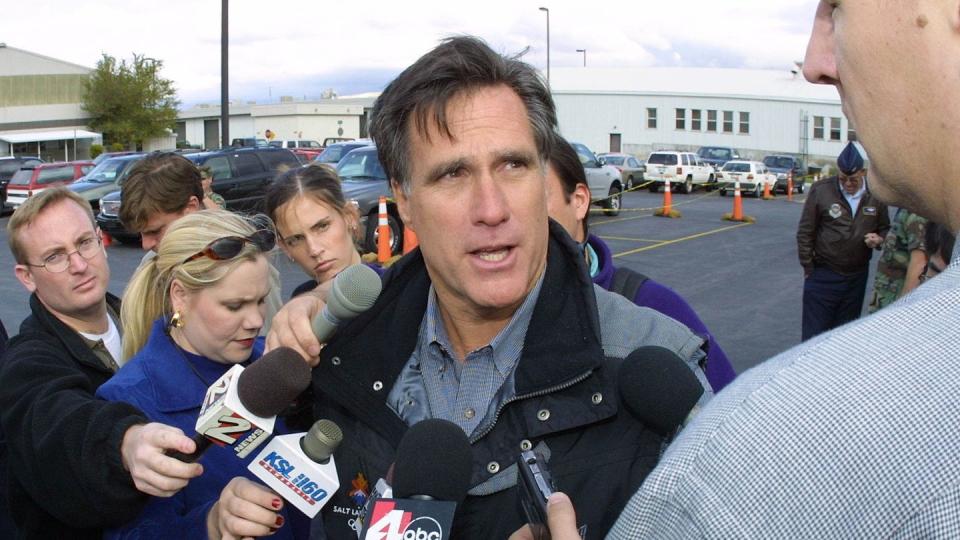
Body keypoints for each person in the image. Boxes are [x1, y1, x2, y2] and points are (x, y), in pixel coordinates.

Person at [296, 36, 711, 540]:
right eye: (453, 173)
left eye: (513, 165)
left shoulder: (654, 370)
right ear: (403, 200)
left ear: (543, 175)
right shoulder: (347, 357)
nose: (491, 208)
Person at [583, 2, 960, 537]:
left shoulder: (761, 450)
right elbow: (807, 234)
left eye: (836, 7)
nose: (814, 63)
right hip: (828, 278)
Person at [0, 188, 202, 539]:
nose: (79, 265)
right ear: (26, 277)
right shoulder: (26, 363)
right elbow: (56, 423)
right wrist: (124, 444)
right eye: (55, 256)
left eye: (84, 243)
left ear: (101, 240)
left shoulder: (156, 324)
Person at [95, 210, 306, 539]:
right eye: (234, 306)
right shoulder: (129, 402)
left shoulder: (273, 361)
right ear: (180, 296)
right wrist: (209, 523)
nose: (254, 320)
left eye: (261, 300)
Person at [545, 135, 736, 391]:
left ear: (579, 200)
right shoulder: (485, 315)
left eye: (537, 197)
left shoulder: (652, 306)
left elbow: (729, 407)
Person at [119, 152, 282, 333]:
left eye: (155, 231)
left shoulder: (245, 259)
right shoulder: (151, 263)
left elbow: (266, 345)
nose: (146, 244)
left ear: (191, 208)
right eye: (141, 234)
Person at [796, 140, 889, 340]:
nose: (848, 184)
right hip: (824, 273)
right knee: (814, 337)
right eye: (843, 179)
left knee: (843, 337)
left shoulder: (876, 195)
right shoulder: (822, 190)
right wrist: (809, 268)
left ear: (863, 173)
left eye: (853, 180)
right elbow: (805, 231)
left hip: (855, 278)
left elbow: (886, 228)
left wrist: (879, 239)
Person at [264, 164, 374, 299]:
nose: (314, 250)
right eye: (296, 239)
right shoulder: (301, 299)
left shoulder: (394, 292)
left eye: (322, 226)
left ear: (349, 216)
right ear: (285, 248)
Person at [868, 207, 928, 312]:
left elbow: (919, 263)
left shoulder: (916, 215)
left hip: (895, 297)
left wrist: (901, 310)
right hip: (885, 292)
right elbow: (899, 245)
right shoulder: (904, 209)